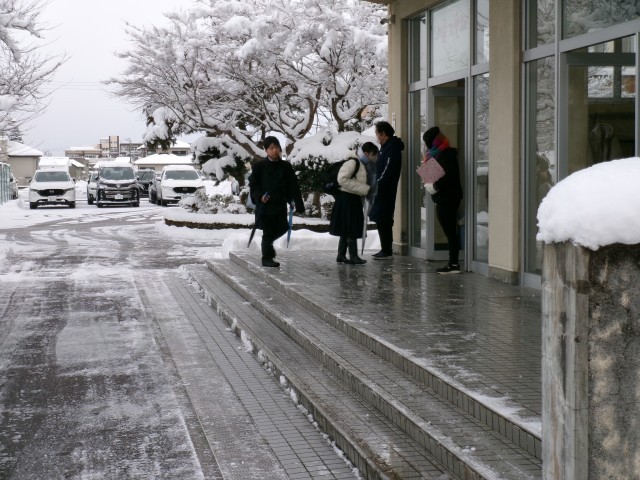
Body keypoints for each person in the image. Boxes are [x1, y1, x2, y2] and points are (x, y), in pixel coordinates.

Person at [249, 136, 305, 268]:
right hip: (266, 206)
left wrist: (298, 204)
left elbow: (293, 186)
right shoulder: (259, 167)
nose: (275, 150)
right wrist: (260, 197)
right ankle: (267, 257)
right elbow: (254, 186)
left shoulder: (286, 166)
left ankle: (268, 247)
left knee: (283, 228)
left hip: (280, 204)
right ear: (266, 150)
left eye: (277, 147)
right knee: (268, 232)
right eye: (271, 148)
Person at [422, 126, 463, 274]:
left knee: (450, 232)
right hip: (444, 197)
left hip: (447, 198)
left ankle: (453, 264)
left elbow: (449, 177)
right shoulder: (440, 153)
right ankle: (453, 263)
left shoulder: (446, 154)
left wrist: (433, 186)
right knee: (450, 231)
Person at [368, 121, 404, 259]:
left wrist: (377, 184)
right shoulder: (384, 148)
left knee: (384, 218)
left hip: (386, 190)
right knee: (380, 218)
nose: (376, 136)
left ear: (383, 134)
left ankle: (387, 250)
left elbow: (388, 170)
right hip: (380, 190)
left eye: (377, 133)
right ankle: (385, 248)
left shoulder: (392, 148)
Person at [330, 151, 371, 265]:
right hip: (348, 198)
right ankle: (353, 256)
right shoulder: (353, 162)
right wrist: (364, 188)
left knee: (346, 226)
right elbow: (342, 179)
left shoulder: (359, 163)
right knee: (351, 226)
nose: (374, 158)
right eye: (373, 155)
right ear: (367, 153)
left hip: (350, 198)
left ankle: (341, 254)